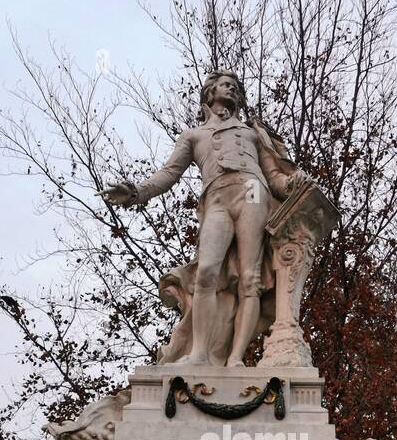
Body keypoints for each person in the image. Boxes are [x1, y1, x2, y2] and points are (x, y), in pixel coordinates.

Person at [104, 71, 304, 366]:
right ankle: (199, 353)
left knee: (250, 278)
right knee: (207, 272)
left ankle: (236, 358)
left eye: (236, 88)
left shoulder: (251, 133)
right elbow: (169, 173)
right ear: (210, 93)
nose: (233, 90)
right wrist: (137, 192)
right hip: (217, 198)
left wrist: (292, 184)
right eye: (226, 86)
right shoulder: (193, 136)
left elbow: (273, 177)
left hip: (251, 191)